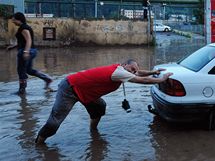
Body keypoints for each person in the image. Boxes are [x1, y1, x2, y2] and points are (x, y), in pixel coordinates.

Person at [35, 59, 173, 144]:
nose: (133, 71)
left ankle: (93, 131)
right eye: (131, 69)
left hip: (87, 93)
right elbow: (140, 79)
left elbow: (139, 74)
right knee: (55, 121)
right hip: (70, 89)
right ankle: (39, 144)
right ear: (124, 65)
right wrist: (161, 79)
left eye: (134, 70)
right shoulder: (119, 72)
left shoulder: (122, 70)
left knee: (100, 106)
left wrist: (153, 72)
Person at [7, 12, 52, 94]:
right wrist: (13, 46)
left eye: (14, 20)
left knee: (21, 70)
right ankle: (47, 79)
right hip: (31, 50)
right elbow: (23, 41)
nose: (13, 22)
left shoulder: (23, 28)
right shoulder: (24, 27)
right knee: (29, 70)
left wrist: (26, 52)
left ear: (19, 19)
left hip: (26, 50)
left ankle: (22, 90)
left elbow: (28, 40)